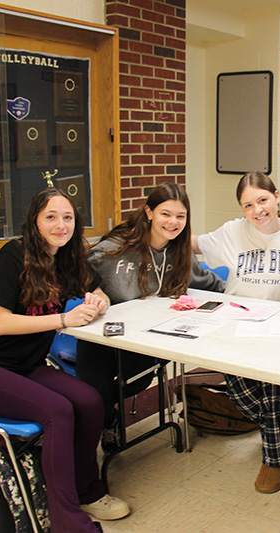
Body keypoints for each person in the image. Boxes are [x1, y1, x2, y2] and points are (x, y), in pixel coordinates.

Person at [0, 188, 131, 533]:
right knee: (58, 411)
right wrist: (63, 320)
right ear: (34, 221)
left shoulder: (67, 259)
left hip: (27, 367)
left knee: (91, 400)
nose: (60, 225)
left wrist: (97, 303)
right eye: (51, 217)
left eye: (67, 218)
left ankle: (87, 492)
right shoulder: (13, 255)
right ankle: (66, 522)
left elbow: (99, 291)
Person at [191, 171, 280, 493]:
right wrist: (162, 229)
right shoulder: (233, 232)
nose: (257, 211)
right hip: (235, 325)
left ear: (277, 196)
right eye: (247, 205)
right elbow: (193, 244)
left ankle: (273, 459)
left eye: (262, 200)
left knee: (275, 389)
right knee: (243, 397)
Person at [77, 183, 225, 451]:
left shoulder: (180, 252)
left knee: (137, 380)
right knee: (94, 389)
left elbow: (210, 284)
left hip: (147, 338)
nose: (173, 222)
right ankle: (106, 419)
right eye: (165, 214)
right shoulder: (117, 248)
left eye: (181, 216)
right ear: (149, 212)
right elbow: (76, 269)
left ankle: (98, 413)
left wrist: (245, 295)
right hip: (105, 333)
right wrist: (96, 291)